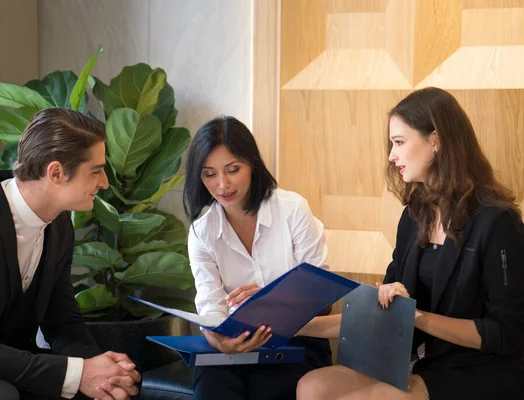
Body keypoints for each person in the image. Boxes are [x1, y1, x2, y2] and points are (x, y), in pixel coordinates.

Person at [295, 87, 524, 400]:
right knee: (311, 387)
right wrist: (295, 324)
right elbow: (383, 312)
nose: (391, 155)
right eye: (392, 144)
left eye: (399, 142)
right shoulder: (413, 218)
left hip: (480, 369)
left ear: (435, 140)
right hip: (418, 360)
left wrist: (417, 316)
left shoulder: (498, 222)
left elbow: (507, 333)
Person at [0, 108, 141, 400]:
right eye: (96, 170)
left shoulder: (60, 223)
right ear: (55, 172)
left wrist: (101, 375)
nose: (104, 183)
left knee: (113, 389)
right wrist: (78, 374)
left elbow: (62, 321)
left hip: (3, 366)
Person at [183, 116, 332, 400]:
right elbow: (210, 302)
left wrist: (271, 302)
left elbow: (322, 300)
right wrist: (219, 337)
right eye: (209, 174)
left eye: (232, 169)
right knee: (210, 384)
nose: (222, 184)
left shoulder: (292, 210)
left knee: (268, 389)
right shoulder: (202, 232)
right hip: (235, 347)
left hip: (297, 342)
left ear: (252, 164)